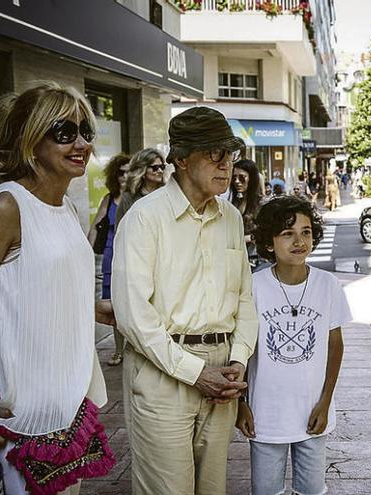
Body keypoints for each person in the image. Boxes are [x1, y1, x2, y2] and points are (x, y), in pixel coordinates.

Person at [0, 82, 115, 495]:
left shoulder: (66, 206)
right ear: (30, 140)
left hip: (67, 404)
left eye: (86, 132)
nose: (80, 143)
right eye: (63, 131)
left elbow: (38, 285)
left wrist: (94, 308)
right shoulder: (7, 207)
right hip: (18, 412)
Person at [111, 106, 258, 495]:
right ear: (181, 158)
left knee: (213, 488)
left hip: (223, 371)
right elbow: (133, 317)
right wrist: (195, 373)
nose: (226, 165)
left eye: (230, 154)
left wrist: (239, 360)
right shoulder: (144, 219)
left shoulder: (230, 217)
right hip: (163, 375)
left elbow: (245, 298)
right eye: (215, 154)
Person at [235, 196, 351, 495]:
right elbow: (243, 349)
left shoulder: (327, 285)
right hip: (266, 415)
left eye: (306, 232)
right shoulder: (254, 286)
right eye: (288, 233)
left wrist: (325, 402)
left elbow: (335, 347)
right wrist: (241, 403)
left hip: (313, 412)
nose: (299, 241)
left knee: (312, 490)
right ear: (269, 243)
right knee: (266, 490)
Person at [87, 153, 131, 366]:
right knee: (112, 302)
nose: (124, 176)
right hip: (110, 253)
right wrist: (86, 252)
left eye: (128, 171)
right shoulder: (109, 198)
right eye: (121, 172)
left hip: (130, 255)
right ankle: (119, 349)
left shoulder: (136, 197)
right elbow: (96, 225)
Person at [114, 147, 166, 226]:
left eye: (162, 167)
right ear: (142, 169)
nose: (160, 171)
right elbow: (120, 229)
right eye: (155, 168)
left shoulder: (167, 193)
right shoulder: (129, 197)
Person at [231, 159, 263, 269]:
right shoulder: (233, 203)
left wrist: (247, 238)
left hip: (256, 260)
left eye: (242, 177)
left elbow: (268, 232)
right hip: (236, 260)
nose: (237, 181)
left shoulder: (261, 203)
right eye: (234, 177)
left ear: (251, 178)